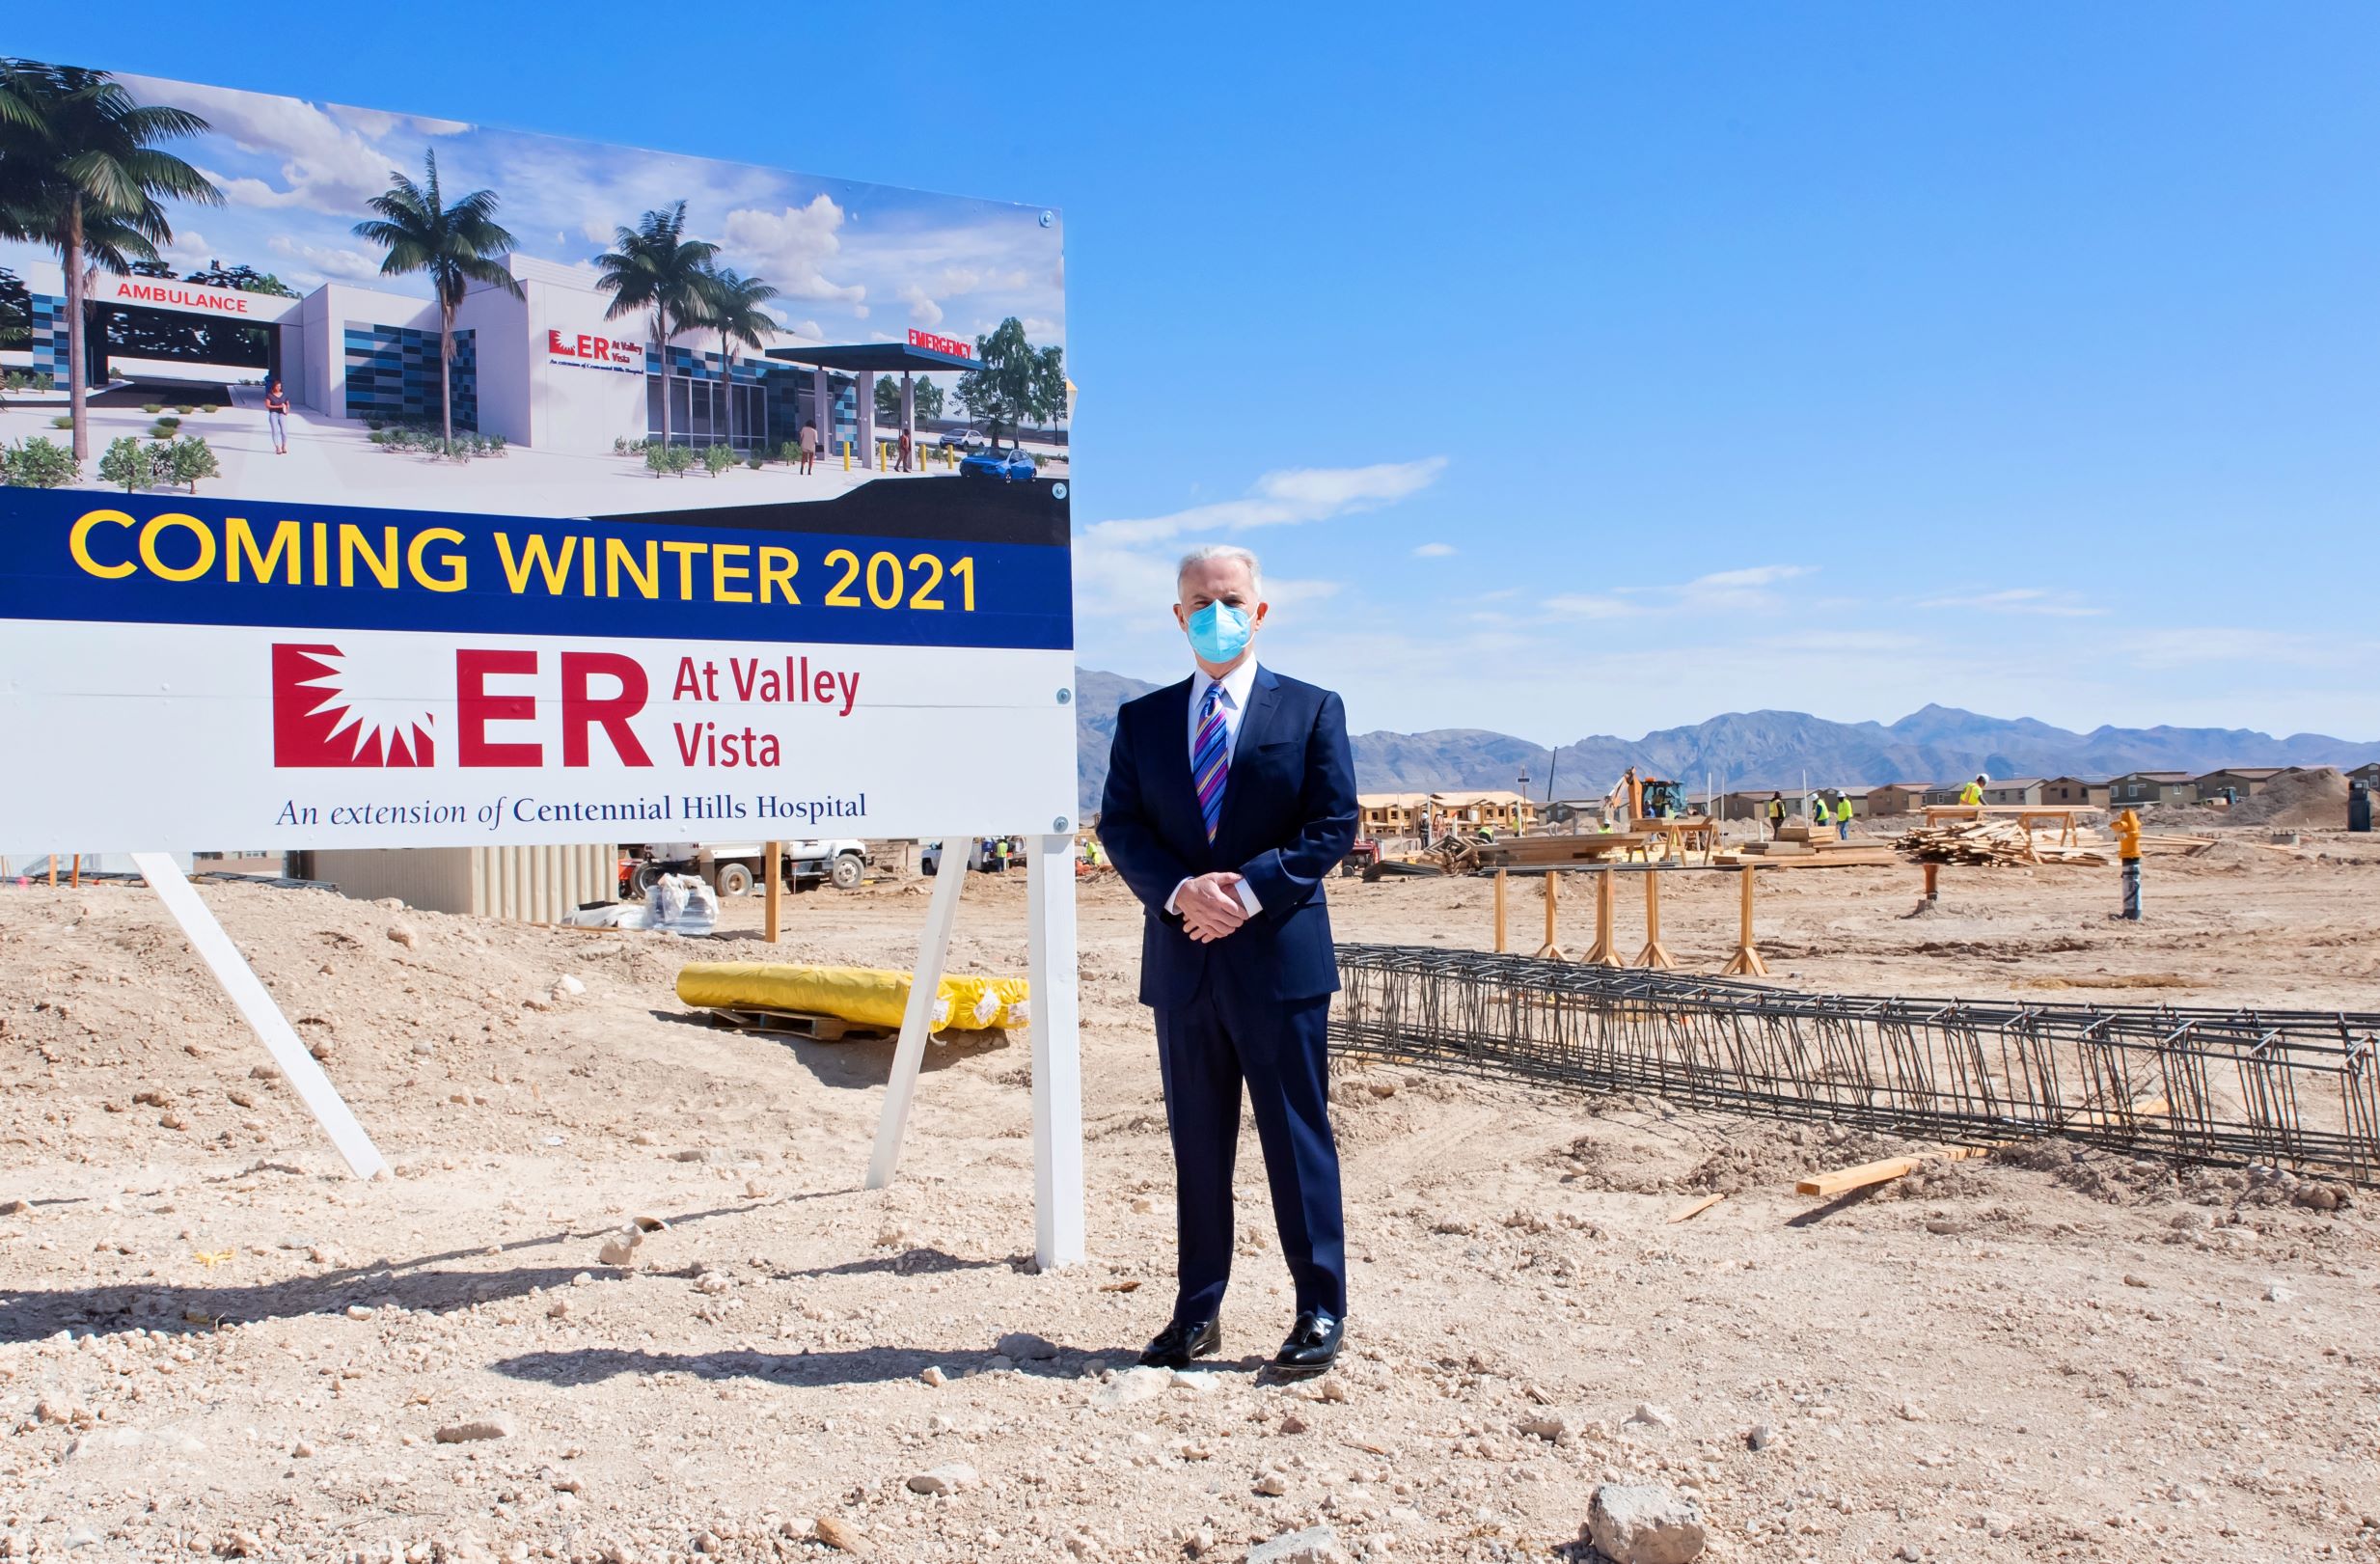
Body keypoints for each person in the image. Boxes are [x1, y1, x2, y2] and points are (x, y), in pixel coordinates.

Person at [1098, 542, 1357, 1382]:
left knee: (1296, 1140)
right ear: (1179, 616)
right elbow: (1122, 828)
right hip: (1184, 965)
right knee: (1196, 1148)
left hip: (1277, 962)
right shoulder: (1141, 721)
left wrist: (1244, 891)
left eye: (1232, 598)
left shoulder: (1312, 710)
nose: (1217, 612)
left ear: (1260, 609)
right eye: (1201, 601)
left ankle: (1319, 1306)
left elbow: (1331, 825)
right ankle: (1195, 1312)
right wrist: (1181, 891)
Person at [263, 379, 290, 455]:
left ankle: (284, 446)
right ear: (274, 387)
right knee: (275, 431)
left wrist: (287, 410)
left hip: (282, 414)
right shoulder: (269, 395)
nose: (279, 387)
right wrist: (278, 406)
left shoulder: (284, 395)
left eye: (280, 386)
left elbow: (287, 403)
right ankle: (277, 447)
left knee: (284, 432)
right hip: (273, 414)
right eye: (277, 386)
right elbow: (267, 405)